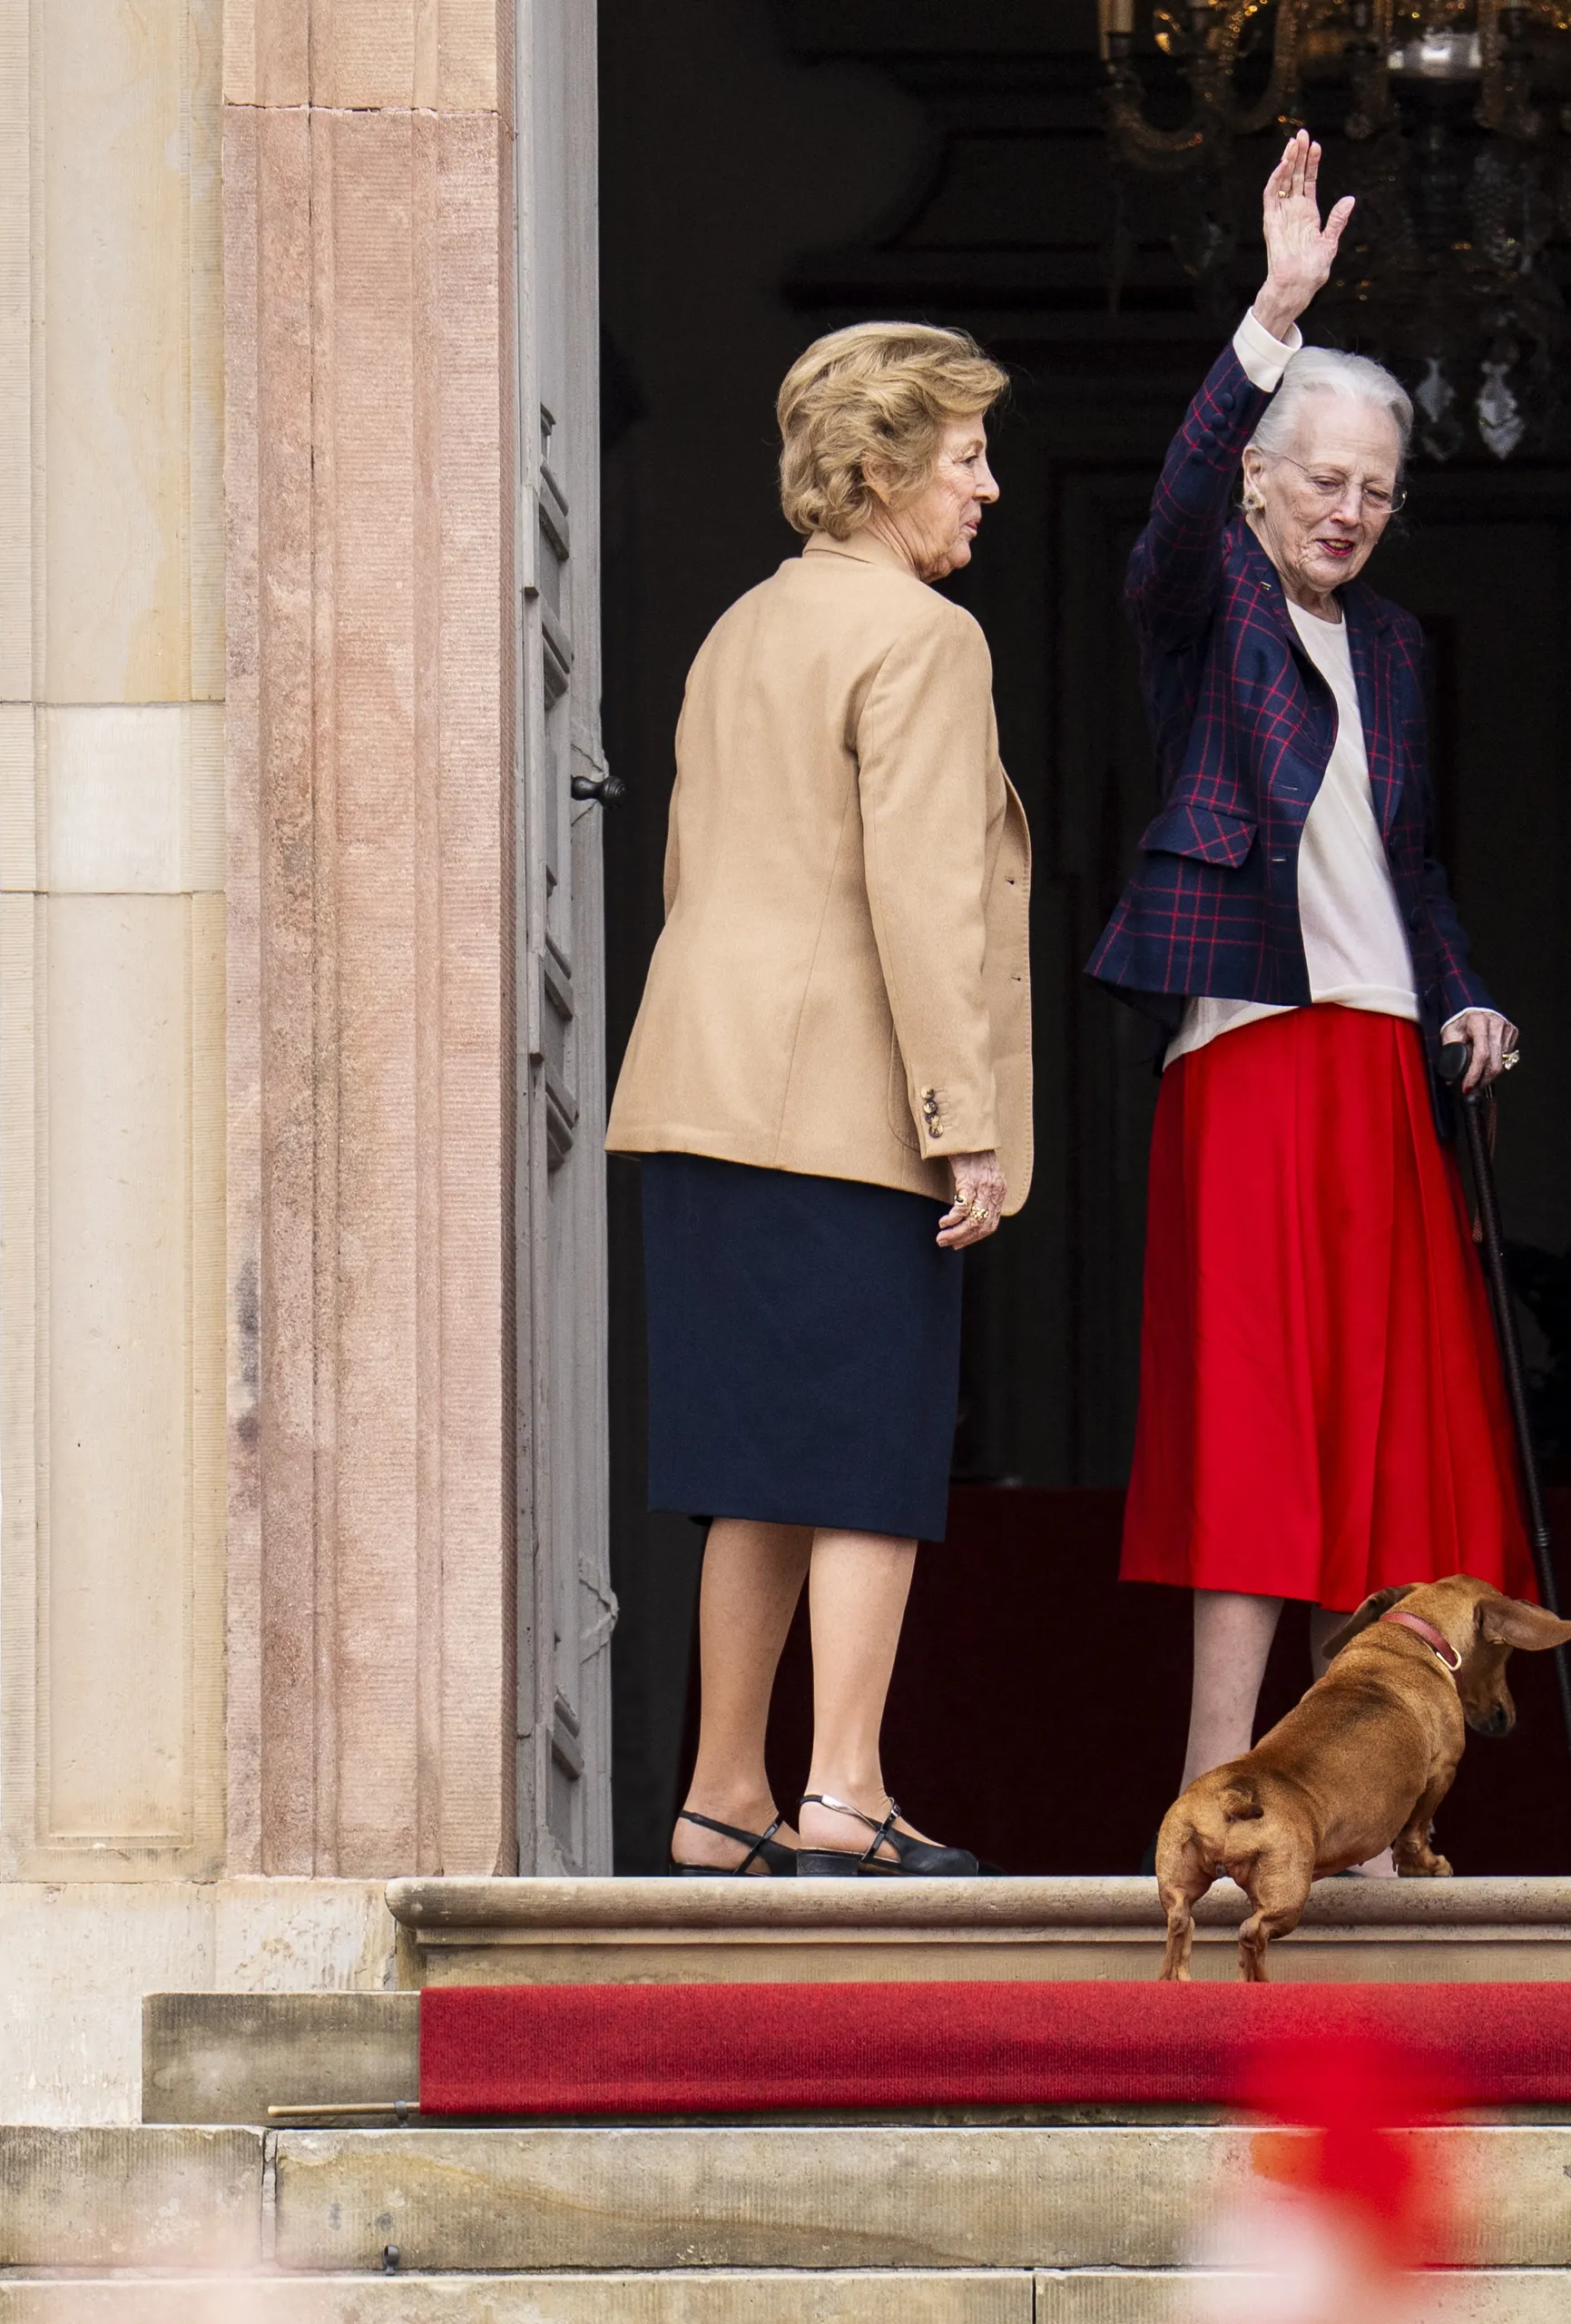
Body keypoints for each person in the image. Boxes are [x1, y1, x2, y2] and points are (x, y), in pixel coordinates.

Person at [1088, 134, 1532, 1816]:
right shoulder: (1201, 604)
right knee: (1257, 1436)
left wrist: (1465, 992)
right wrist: (1271, 317)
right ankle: (1217, 1797)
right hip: (1254, 1057)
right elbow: (1173, 510)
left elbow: (1405, 865)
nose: (1347, 510)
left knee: (1401, 1436)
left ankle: (1391, 1807)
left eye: (1375, 488)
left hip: (1379, 1067)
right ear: (1263, 478)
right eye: (1320, 478)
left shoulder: (1401, 649)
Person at [604, 320, 1033, 1879]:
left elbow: (688, 869)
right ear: (879, 471)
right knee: (866, 1453)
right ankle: (847, 1787)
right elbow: (925, 901)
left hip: (702, 1091)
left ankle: (724, 1794)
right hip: (849, 1104)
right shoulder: (925, 639)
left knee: (750, 1463)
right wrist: (960, 1116)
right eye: (968, 456)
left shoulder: (739, 629)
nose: (989, 488)